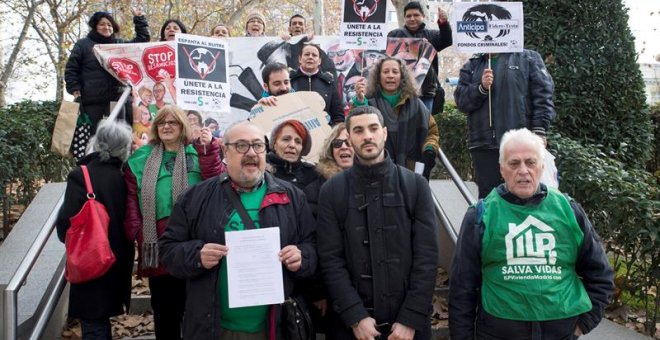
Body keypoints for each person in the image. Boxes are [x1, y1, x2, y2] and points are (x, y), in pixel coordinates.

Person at [448, 128, 614, 339]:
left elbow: (601, 274)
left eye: (531, 162)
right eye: (514, 163)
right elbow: (462, 288)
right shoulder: (480, 215)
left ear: (542, 166)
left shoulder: (568, 210)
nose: (523, 170)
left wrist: (583, 323)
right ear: (501, 169)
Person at [158, 120, 317, 339]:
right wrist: (197, 255)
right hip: (214, 328)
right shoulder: (196, 198)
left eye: (258, 145)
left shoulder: (291, 197)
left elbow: (313, 247)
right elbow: (167, 251)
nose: (251, 153)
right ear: (225, 150)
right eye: (241, 145)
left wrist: (303, 257)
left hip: (274, 327)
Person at [317, 106, 438, 340]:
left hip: (407, 329)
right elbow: (331, 259)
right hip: (353, 328)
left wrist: (410, 319)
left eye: (373, 128)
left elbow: (427, 257)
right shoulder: (332, 191)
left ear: (384, 133)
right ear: (350, 139)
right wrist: (355, 317)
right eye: (359, 130)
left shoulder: (415, 185)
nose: (367, 136)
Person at [124, 105, 222, 339]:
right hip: (158, 243)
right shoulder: (140, 158)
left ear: (183, 127)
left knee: (196, 311)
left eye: (173, 122)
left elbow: (216, 183)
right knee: (166, 311)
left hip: (195, 242)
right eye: (162, 123)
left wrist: (208, 151)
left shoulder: (198, 152)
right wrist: (136, 230)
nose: (167, 126)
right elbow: (130, 199)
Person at [56, 119, 135, 339]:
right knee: (102, 316)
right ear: (124, 148)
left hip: (92, 257)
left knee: (93, 320)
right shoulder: (126, 177)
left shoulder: (81, 175)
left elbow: (65, 224)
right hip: (119, 258)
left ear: (97, 143)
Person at [454, 49, 556, 198]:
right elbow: (462, 102)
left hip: (521, 145)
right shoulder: (472, 65)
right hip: (484, 145)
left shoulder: (527, 58)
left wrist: (539, 130)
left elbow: (543, 95)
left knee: (524, 195)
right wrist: (480, 88)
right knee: (490, 198)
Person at [64, 9, 150, 135]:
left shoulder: (119, 45)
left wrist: (140, 19)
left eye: (109, 25)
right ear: (95, 26)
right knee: (94, 138)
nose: (106, 27)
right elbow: (71, 69)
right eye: (102, 24)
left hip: (117, 100)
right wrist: (75, 90)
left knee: (117, 136)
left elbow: (142, 41)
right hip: (92, 101)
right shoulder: (83, 44)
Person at [353, 56, 439, 180]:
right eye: (386, 72)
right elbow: (355, 129)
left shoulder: (416, 104)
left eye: (395, 72)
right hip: (376, 171)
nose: (390, 76)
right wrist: (360, 102)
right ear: (378, 76)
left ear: (402, 76)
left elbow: (432, 131)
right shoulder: (367, 102)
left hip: (411, 173)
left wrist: (429, 150)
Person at [388, 1, 452, 112]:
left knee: (424, 126)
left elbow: (447, 40)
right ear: (404, 18)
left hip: (425, 93)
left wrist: (444, 23)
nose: (412, 18)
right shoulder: (394, 35)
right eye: (409, 16)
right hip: (398, 91)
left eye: (416, 15)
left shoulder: (432, 35)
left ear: (423, 16)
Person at [290, 43, 345, 125]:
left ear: (319, 61)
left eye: (314, 55)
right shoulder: (290, 81)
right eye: (307, 54)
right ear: (300, 59)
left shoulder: (328, 82)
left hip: (324, 133)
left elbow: (338, 115)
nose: (310, 57)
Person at [266, 119, 319, 191]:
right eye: (286, 139)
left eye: (298, 142)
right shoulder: (261, 170)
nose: (292, 145)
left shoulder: (312, 173)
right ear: (274, 144)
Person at [327, 43, 360, 110]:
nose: (335, 58)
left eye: (341, 52)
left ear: (353, 52)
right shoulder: (325, 74)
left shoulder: (362, 72)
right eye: (331, 54)